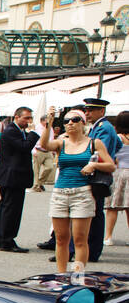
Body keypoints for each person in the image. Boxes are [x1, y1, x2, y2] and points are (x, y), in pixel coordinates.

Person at [37, 108, 117, 273]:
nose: (70, 124)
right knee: (61, 239)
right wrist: (49, 124)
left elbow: (111, 165)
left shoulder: (94, 143)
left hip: (83, 193)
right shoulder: (61, 142)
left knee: (80, 240)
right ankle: (61, 275)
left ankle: (78, 276)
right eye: (66, 121)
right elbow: (44, 145)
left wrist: (94, 164)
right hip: (60, 193)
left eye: (74, 120)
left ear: (83, 123)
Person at [0, 105, 38, 253]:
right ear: (16, 117)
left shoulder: (16, 131)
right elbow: (24, 147)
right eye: (26, 118)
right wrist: (33, 133)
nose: (29, 121)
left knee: (6, 208)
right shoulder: (12, 131)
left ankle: (0, 239)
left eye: (30, 118)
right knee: (11, 210)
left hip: (12, 177)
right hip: (12, 177)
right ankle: (6, 240)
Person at [85, 97, 122, 255]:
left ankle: (93, 249)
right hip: (98, 171)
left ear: (101, 111)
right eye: (86, 110)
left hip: (98, 172)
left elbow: (100, 150)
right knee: (95, 210)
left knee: (95, 211)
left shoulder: (103, 127)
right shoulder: (100, 126)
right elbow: (118, 145)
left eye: (91, 110)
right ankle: (92, 247)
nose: (87, 113)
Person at [105, 112, 129, 245]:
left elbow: (112, 154)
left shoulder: (118, 138)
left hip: (118, 172)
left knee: (112, 207)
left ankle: (108, 236)